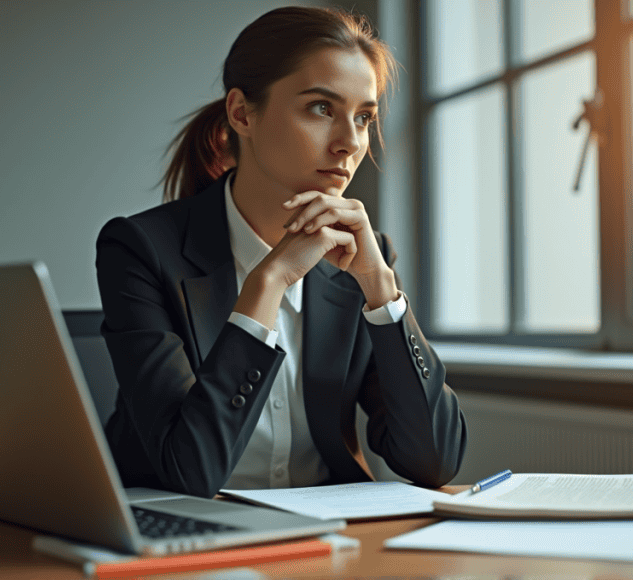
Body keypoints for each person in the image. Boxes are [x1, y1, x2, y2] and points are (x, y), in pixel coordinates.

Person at [95, 6, 466, 498]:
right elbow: (190, 469)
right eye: (321, 109)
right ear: (242, 113)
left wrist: (382, 293)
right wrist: (267, 285)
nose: (350, 144)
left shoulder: (365, 258)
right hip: (178, 535)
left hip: (326, 538)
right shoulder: (140, 250)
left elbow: (434, 461)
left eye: (363, 117)